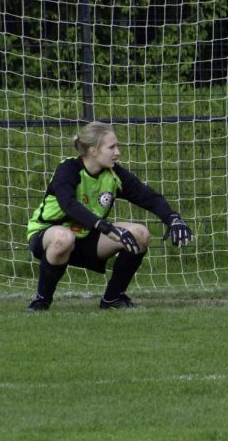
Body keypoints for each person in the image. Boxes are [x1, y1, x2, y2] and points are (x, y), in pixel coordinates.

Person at [25, 121, 193, 311]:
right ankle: (40, 301)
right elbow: (68, 205)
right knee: (63, 237)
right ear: (93, 150)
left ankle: (112, 299)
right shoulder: (68, 170)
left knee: (140, 235)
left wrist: (173, 218)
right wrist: (106, 227)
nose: (117, 152)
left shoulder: (114, 175)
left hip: (88, 236)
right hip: (48, 236)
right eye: (112, 147)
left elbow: (149, 197)